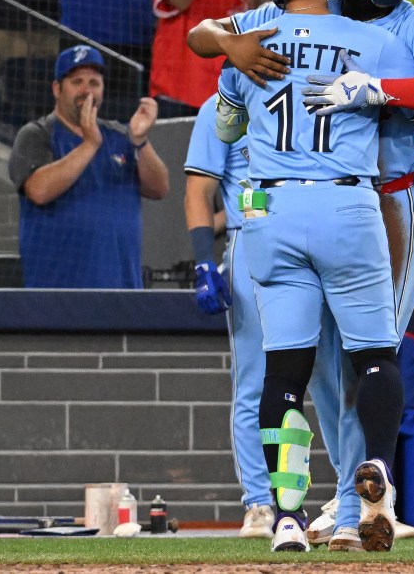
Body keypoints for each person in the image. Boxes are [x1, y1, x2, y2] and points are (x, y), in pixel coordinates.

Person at [186, 0, 414, 550]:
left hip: (368, 202)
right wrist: (231, 41)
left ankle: (323, 508)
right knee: (355, 361)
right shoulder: (354, 31)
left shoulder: (399, 28)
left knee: (310, 365)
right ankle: (355, 493)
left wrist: (382, 90)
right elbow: (209, 34)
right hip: (350, 205)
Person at [184, 100, 277, 539]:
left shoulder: (312, 83)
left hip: (316, 235)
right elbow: (198, 189)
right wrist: (204, 262)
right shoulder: (218, 108)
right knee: (253, 383)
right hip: (250, 238)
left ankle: (345, 499)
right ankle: (259, 502)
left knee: (331, 379)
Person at [8, 45, 169, 288]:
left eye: (94, 82)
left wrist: (140, 141)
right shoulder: (37, 134)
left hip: (122, 294)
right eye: (77, 82)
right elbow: (39, 190)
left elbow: (159, 188)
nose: (87, 90)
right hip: (57, 295)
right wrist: (90, 144)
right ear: (57, 89)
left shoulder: (119, 135)